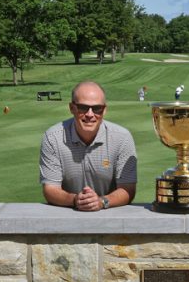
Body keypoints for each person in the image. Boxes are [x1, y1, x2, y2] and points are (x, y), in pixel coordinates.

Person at [40, 81, 137, 211]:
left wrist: (101, 202)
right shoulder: (53, 137)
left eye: (97, 108)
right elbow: (50, 189)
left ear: (104, 110)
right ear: (71, 108)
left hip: (110, 218)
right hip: (68, 216)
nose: (90, 114)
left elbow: (127, 189)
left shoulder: (122, 138)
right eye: (83, 108)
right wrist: (75, 199)